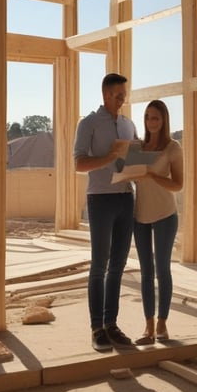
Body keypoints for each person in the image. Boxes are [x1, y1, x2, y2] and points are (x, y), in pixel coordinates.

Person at [73, 72, 138, 351]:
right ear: (106, 95)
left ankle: (112, 325)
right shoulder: (88, 123)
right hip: (100, 199)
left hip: (126, 198)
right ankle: (96, 328)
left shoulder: (128, 124)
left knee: (119, 266)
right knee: (99, 266)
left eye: (125, 94)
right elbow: (79, 163)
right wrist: (109, 157)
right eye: (119, 95)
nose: (123, 99)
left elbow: (134, 158)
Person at [132, 100, 184, 344]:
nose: (150, 122)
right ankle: (148, 326)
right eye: (147, 117)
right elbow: (131, 178)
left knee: (162, 270)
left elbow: (178, 184)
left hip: (165, 214)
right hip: (139, 215)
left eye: (155, 118)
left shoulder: (172, 148)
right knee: (145, 271)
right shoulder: (138, 147)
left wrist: (153, 175)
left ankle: (163, 323)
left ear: (164, 121)